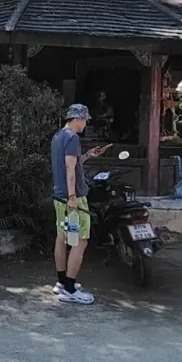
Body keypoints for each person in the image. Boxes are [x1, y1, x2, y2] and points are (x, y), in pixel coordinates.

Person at [51, 104, 109, 305]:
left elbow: (71, 164)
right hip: (72, 197)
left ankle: (61, 282)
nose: (85, 124)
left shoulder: (58, 136)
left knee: (62, 237)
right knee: (81, 239)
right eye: (85, 120)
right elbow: (70, 170)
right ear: (78, 119)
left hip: (59, 196)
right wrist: (73, 197)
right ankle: (69, 289)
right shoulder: (73, 138)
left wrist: (88, 155)